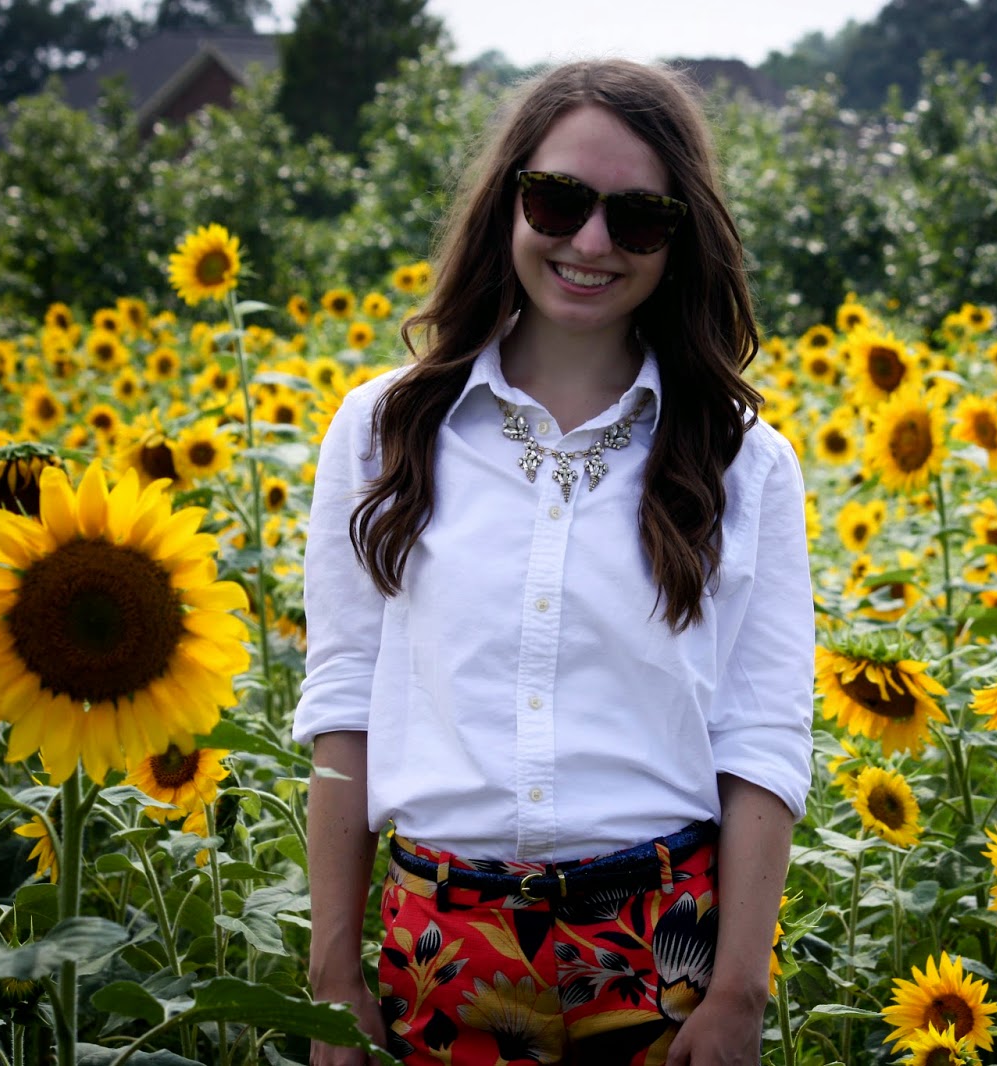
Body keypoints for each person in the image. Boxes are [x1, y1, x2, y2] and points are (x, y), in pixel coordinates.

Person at [295, 58, 815, 1066]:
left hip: (660, 955)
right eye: (559, 199)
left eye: (638, 218)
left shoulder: (744, 459)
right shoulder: (385, 428)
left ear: (679, 238)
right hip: (435, 949)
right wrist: (332, 979)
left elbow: (760, 738)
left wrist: (740, 992)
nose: (590, 243)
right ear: (507, 202)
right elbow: (344, 706)